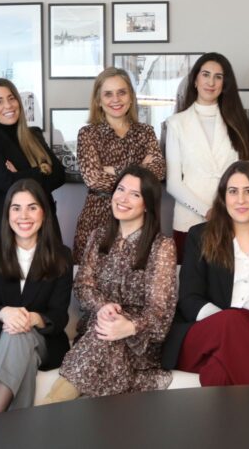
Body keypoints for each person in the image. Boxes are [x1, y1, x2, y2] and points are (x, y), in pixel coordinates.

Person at [41, 166, 177, 403]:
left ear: (147, 204)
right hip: (97, 330)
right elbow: (82, 286)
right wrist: (103, 307)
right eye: (120, 189)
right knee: (103, 334)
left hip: (139, 344)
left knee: (104, 338)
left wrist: (130, 326)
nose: (123, 198)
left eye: (135, 194)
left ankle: (44, 412)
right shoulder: (98, 237)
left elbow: (160, 312)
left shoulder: (161, 246)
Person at [162, 161, 249, 386]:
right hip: (201, 333)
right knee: (231, 321)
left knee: (219, 373)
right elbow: (189, 299)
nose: (240, 200)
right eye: (233, 191)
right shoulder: (200, 236)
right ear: (223, 198)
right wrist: (245, 331)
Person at [0, 179, 73, 413]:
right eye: (16, 208)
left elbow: (59, 316)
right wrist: (4, 314)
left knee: (20, 336)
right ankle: (10, 429)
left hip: (43, 342)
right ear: (7, 214)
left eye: (32, 207)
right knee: (18, 342)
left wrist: (35, 318)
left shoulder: (61, 256)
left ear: (44, 213)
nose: (23, 216)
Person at [165, 52, 249, 260]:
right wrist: (208, 211)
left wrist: (225, 211)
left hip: (233, 217)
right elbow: (173, 183)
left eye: (218, 77)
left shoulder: (239, 122)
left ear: (225, 84)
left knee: (230, 277)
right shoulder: (176, 123)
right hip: (189, 220)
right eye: (206, 75)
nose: (211, 82)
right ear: (195, 80)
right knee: (189, 276)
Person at [74, 67, 165, 264]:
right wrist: (139, 168)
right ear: (98, 100)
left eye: (122, 92)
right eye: (108, 94)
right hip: (97, 219)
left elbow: (158, 171)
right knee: (92, 276)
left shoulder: (146, 132)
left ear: (131, 97)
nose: (116, 99)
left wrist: (112, 169)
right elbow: (94, 179)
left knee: (137, 277)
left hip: (139, 220)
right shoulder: (88, 134)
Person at [0, 79, 65, 242]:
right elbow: (7, 183)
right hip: (4, 231)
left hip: (44, 228)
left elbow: (59, 175)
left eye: (11, 98)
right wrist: (41, 169)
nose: (8, 105)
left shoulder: (34, 135)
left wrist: (19, 175)